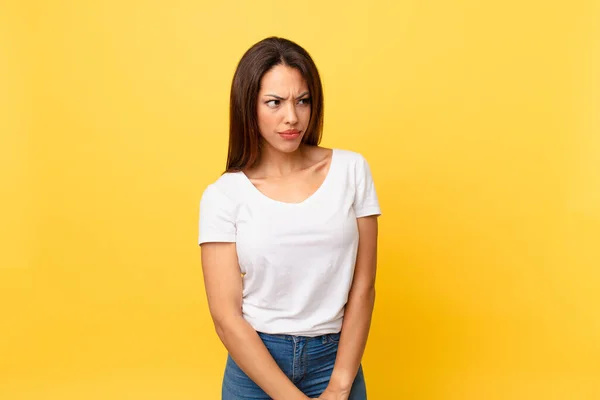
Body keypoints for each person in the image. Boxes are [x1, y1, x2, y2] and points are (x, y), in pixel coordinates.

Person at [198, 37, 381, 400]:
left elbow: (363, 287)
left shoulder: (351, 170)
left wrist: (340, 384)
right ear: (248, 107)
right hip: (256, 369)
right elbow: (226, 317)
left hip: (336, 360)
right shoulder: (223, 195)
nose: (292, 117)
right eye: (274, 103)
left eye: (302, 100)